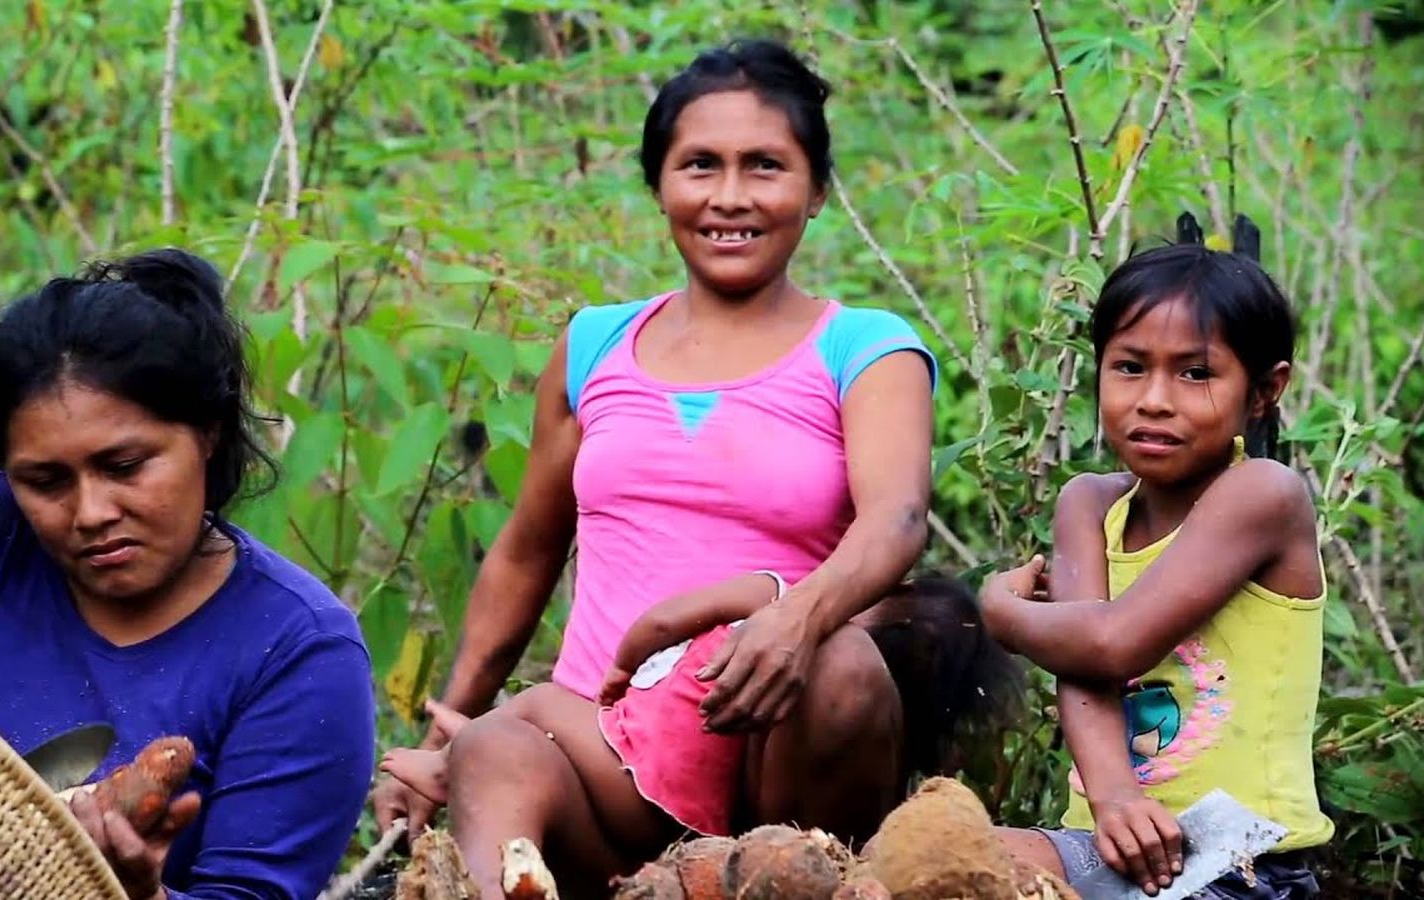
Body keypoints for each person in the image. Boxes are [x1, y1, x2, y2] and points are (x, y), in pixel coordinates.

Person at [373, 38, 940, 895]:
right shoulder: (595, 345)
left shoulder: (865, 349)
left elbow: (895, 521)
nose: (730, 197)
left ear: (818, 189)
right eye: (700, 165)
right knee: (496, 748)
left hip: (774, 756)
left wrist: (795, 619)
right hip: (608, 758)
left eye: (765, 166)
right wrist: (443, 731)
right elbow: (526, 553)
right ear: (659, 183)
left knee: (846, 668)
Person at [0, 249, 376, 900]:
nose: (91, 513)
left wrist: (135, 892)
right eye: (45, 481)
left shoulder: (298, 652)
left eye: (125, 467)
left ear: (208, 433)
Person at [982, 242, 1332, 898]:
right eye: (1129, 367)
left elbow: (1112, 643)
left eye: (1196, 374)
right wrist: (1114, 799)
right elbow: (1083, 668)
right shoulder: (1089, 505)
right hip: (1105, 845)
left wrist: (1002, 613)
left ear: (1265, 390)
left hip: (1241, 861)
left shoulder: (1263, 494)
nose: (1154, 400)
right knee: (941, 853)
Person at [382, 573, 1023, 843]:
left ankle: (448, 763)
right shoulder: (852, 727)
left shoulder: (785, 600)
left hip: (636, 768)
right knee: (518, 739)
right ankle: (472, 747)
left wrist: (625, 662)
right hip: (698, 817)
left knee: (542, 703)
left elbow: (666, 619)